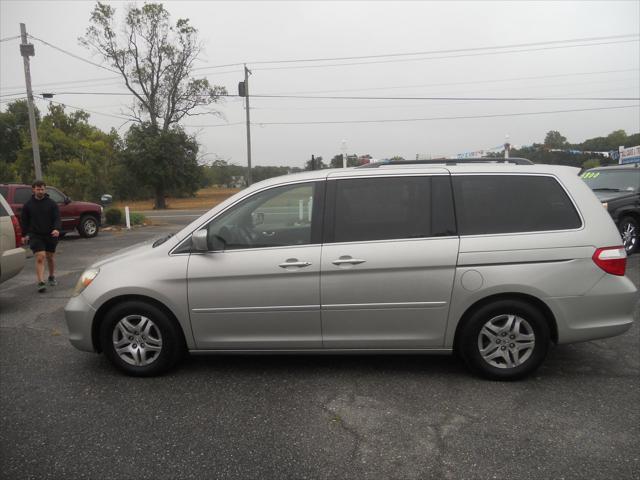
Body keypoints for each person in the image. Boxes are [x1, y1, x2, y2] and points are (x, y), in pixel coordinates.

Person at [21, 180, 61, 293]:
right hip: (35, 235)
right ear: (33, 190)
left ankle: (51, 276)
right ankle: (41, 282)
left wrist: (56, 229)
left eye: (42, 189)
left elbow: (57, 218)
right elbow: (24, 221)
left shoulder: (52, 203)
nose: (40, 191)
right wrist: (24, 235)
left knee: (50, 257)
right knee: (40, 257)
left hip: (50, 234)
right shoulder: (28, 205)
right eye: (38, 189)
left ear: (45, 189)